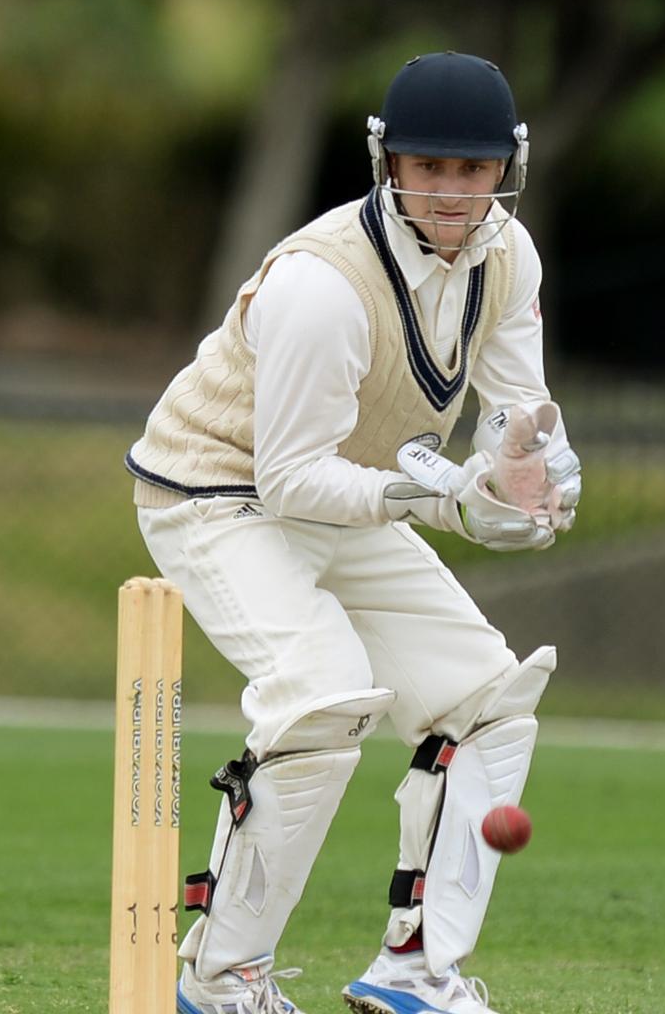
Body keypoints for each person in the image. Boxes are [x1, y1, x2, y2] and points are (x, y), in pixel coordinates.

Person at [126, 51, 581, 1014]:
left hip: (350, 489)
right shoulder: (320, 284)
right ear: (388, 162)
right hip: (218, 493)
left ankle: (415, 971)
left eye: (472, 169)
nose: (452, 192)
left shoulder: (510, 257)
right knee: (325, 698)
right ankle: (221, 980)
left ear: (509, 165)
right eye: (429, 167)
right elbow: (289, 480)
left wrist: (530, 481)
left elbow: (518, 412)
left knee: (488, 698)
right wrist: (449, 503)